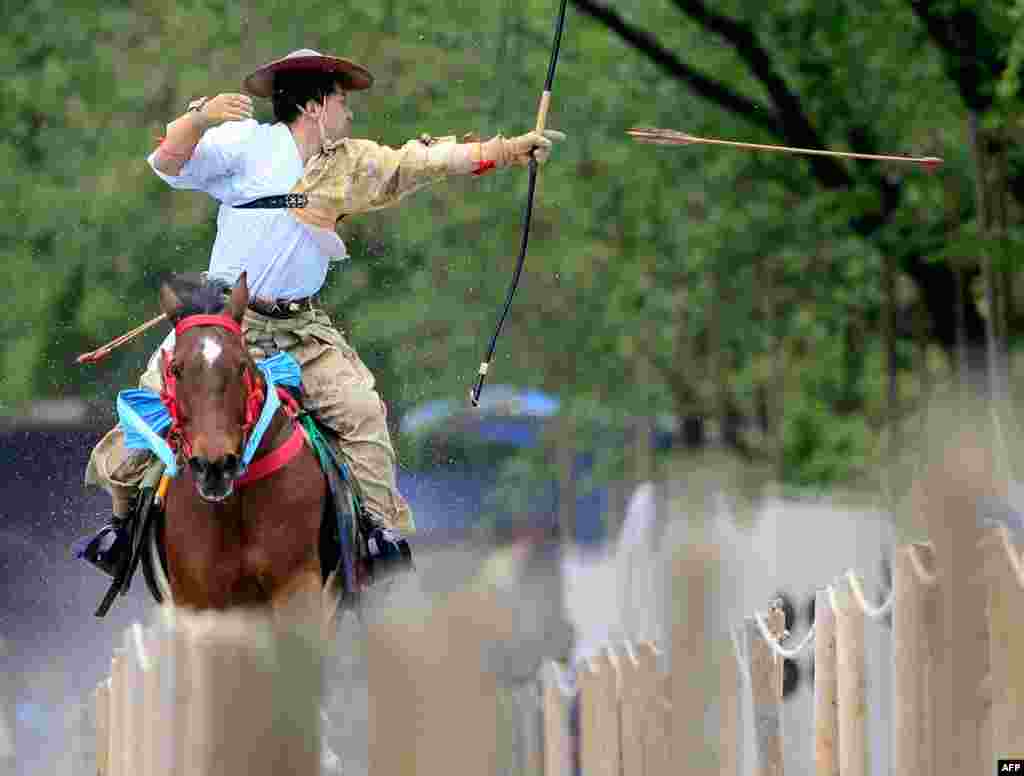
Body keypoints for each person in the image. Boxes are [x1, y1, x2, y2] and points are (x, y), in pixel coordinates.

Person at [81, 48, 565, 578]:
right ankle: (122, 531)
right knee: (148, 416)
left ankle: (376, 533)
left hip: (300, 332)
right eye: (341, 100)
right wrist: (198, 117)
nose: (349, 113)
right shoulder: (245, 145)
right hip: (222, 327)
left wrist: (512, 149)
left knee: (362, 413)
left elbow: (421, 161)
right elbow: (169, 161)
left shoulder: (351, 162)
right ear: (314, 106)